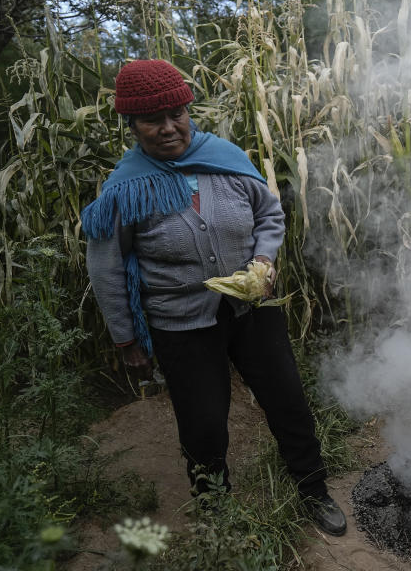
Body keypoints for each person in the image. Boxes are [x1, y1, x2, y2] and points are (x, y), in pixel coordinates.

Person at [82, 59, 346, 536]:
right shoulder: (125, 189)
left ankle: (314, 490)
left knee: (288, 402)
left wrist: (264, 261)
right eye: (151, 120)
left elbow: (269, 214)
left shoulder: (225, 157)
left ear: (188, 109)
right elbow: (106, 270)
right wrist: (126, 339)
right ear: (132, 125)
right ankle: (217, 518)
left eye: (176, 115)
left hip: (254, 309)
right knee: (203, 426)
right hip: (181, 324)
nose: (167, 129)